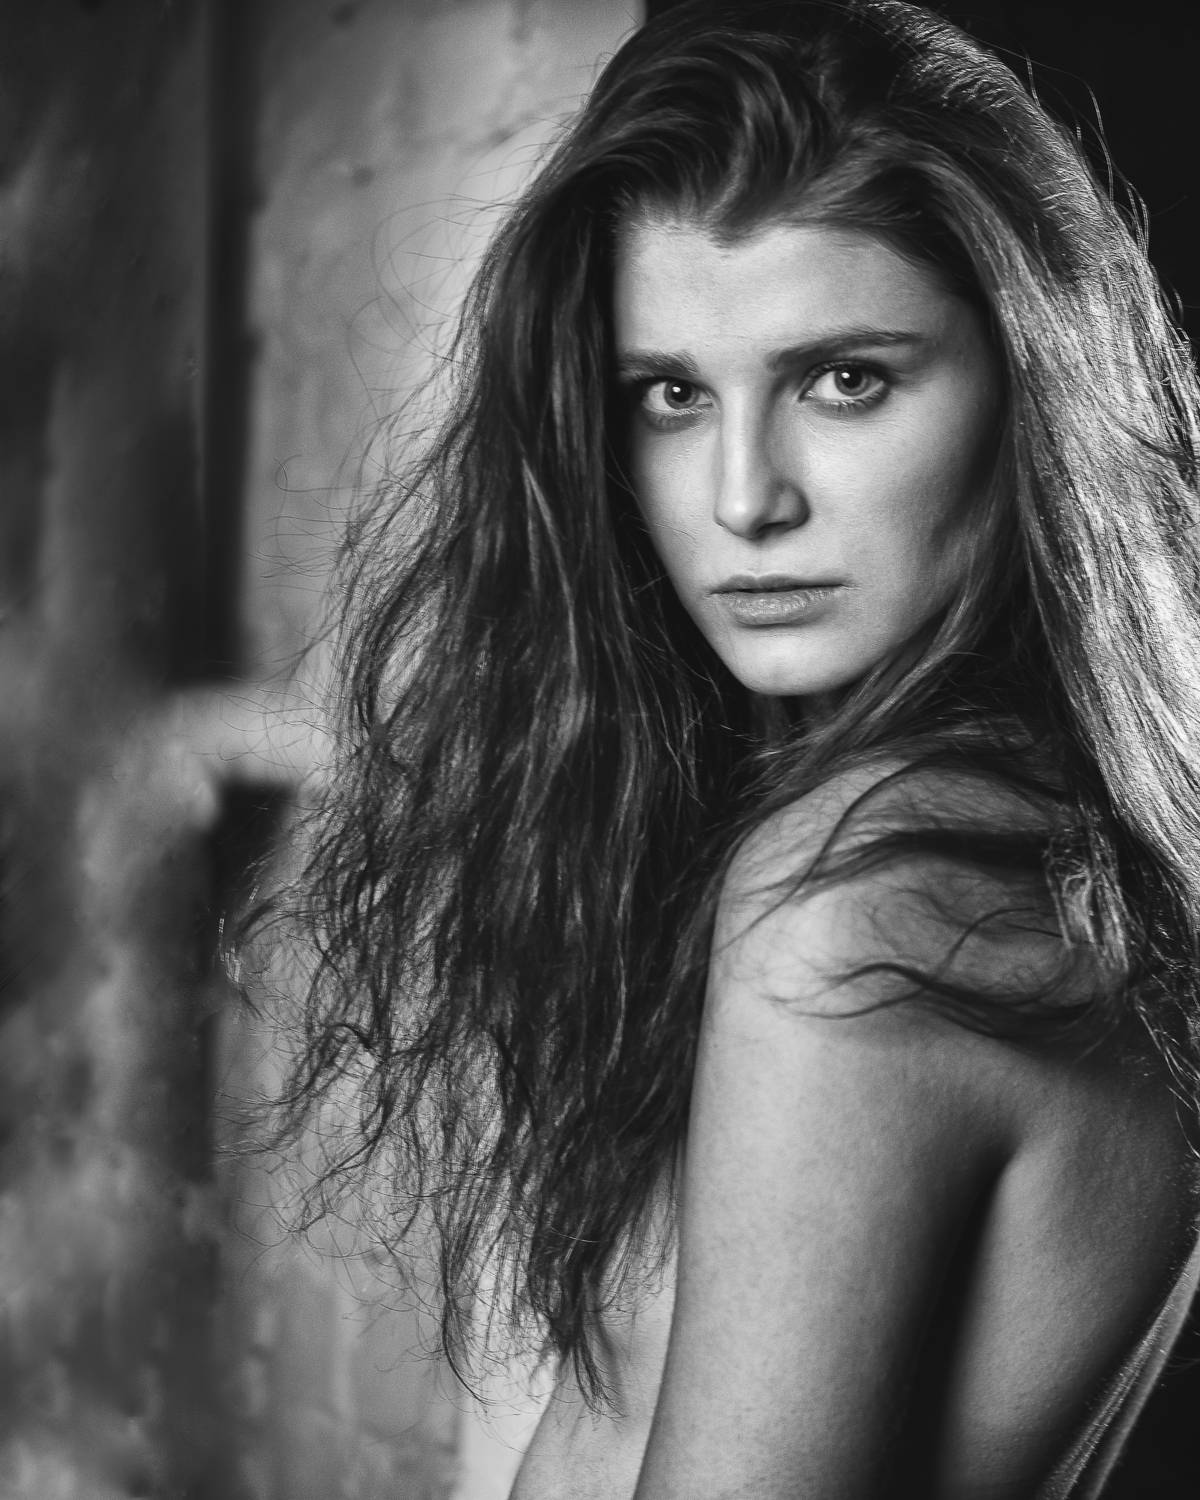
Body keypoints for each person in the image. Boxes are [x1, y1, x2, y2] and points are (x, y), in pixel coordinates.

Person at [279, 1, 1200, 1493]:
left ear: (1030, 379)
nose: (742, 498)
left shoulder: (865, 901)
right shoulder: (1023, 841)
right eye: (672, 395)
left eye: (846, 380)